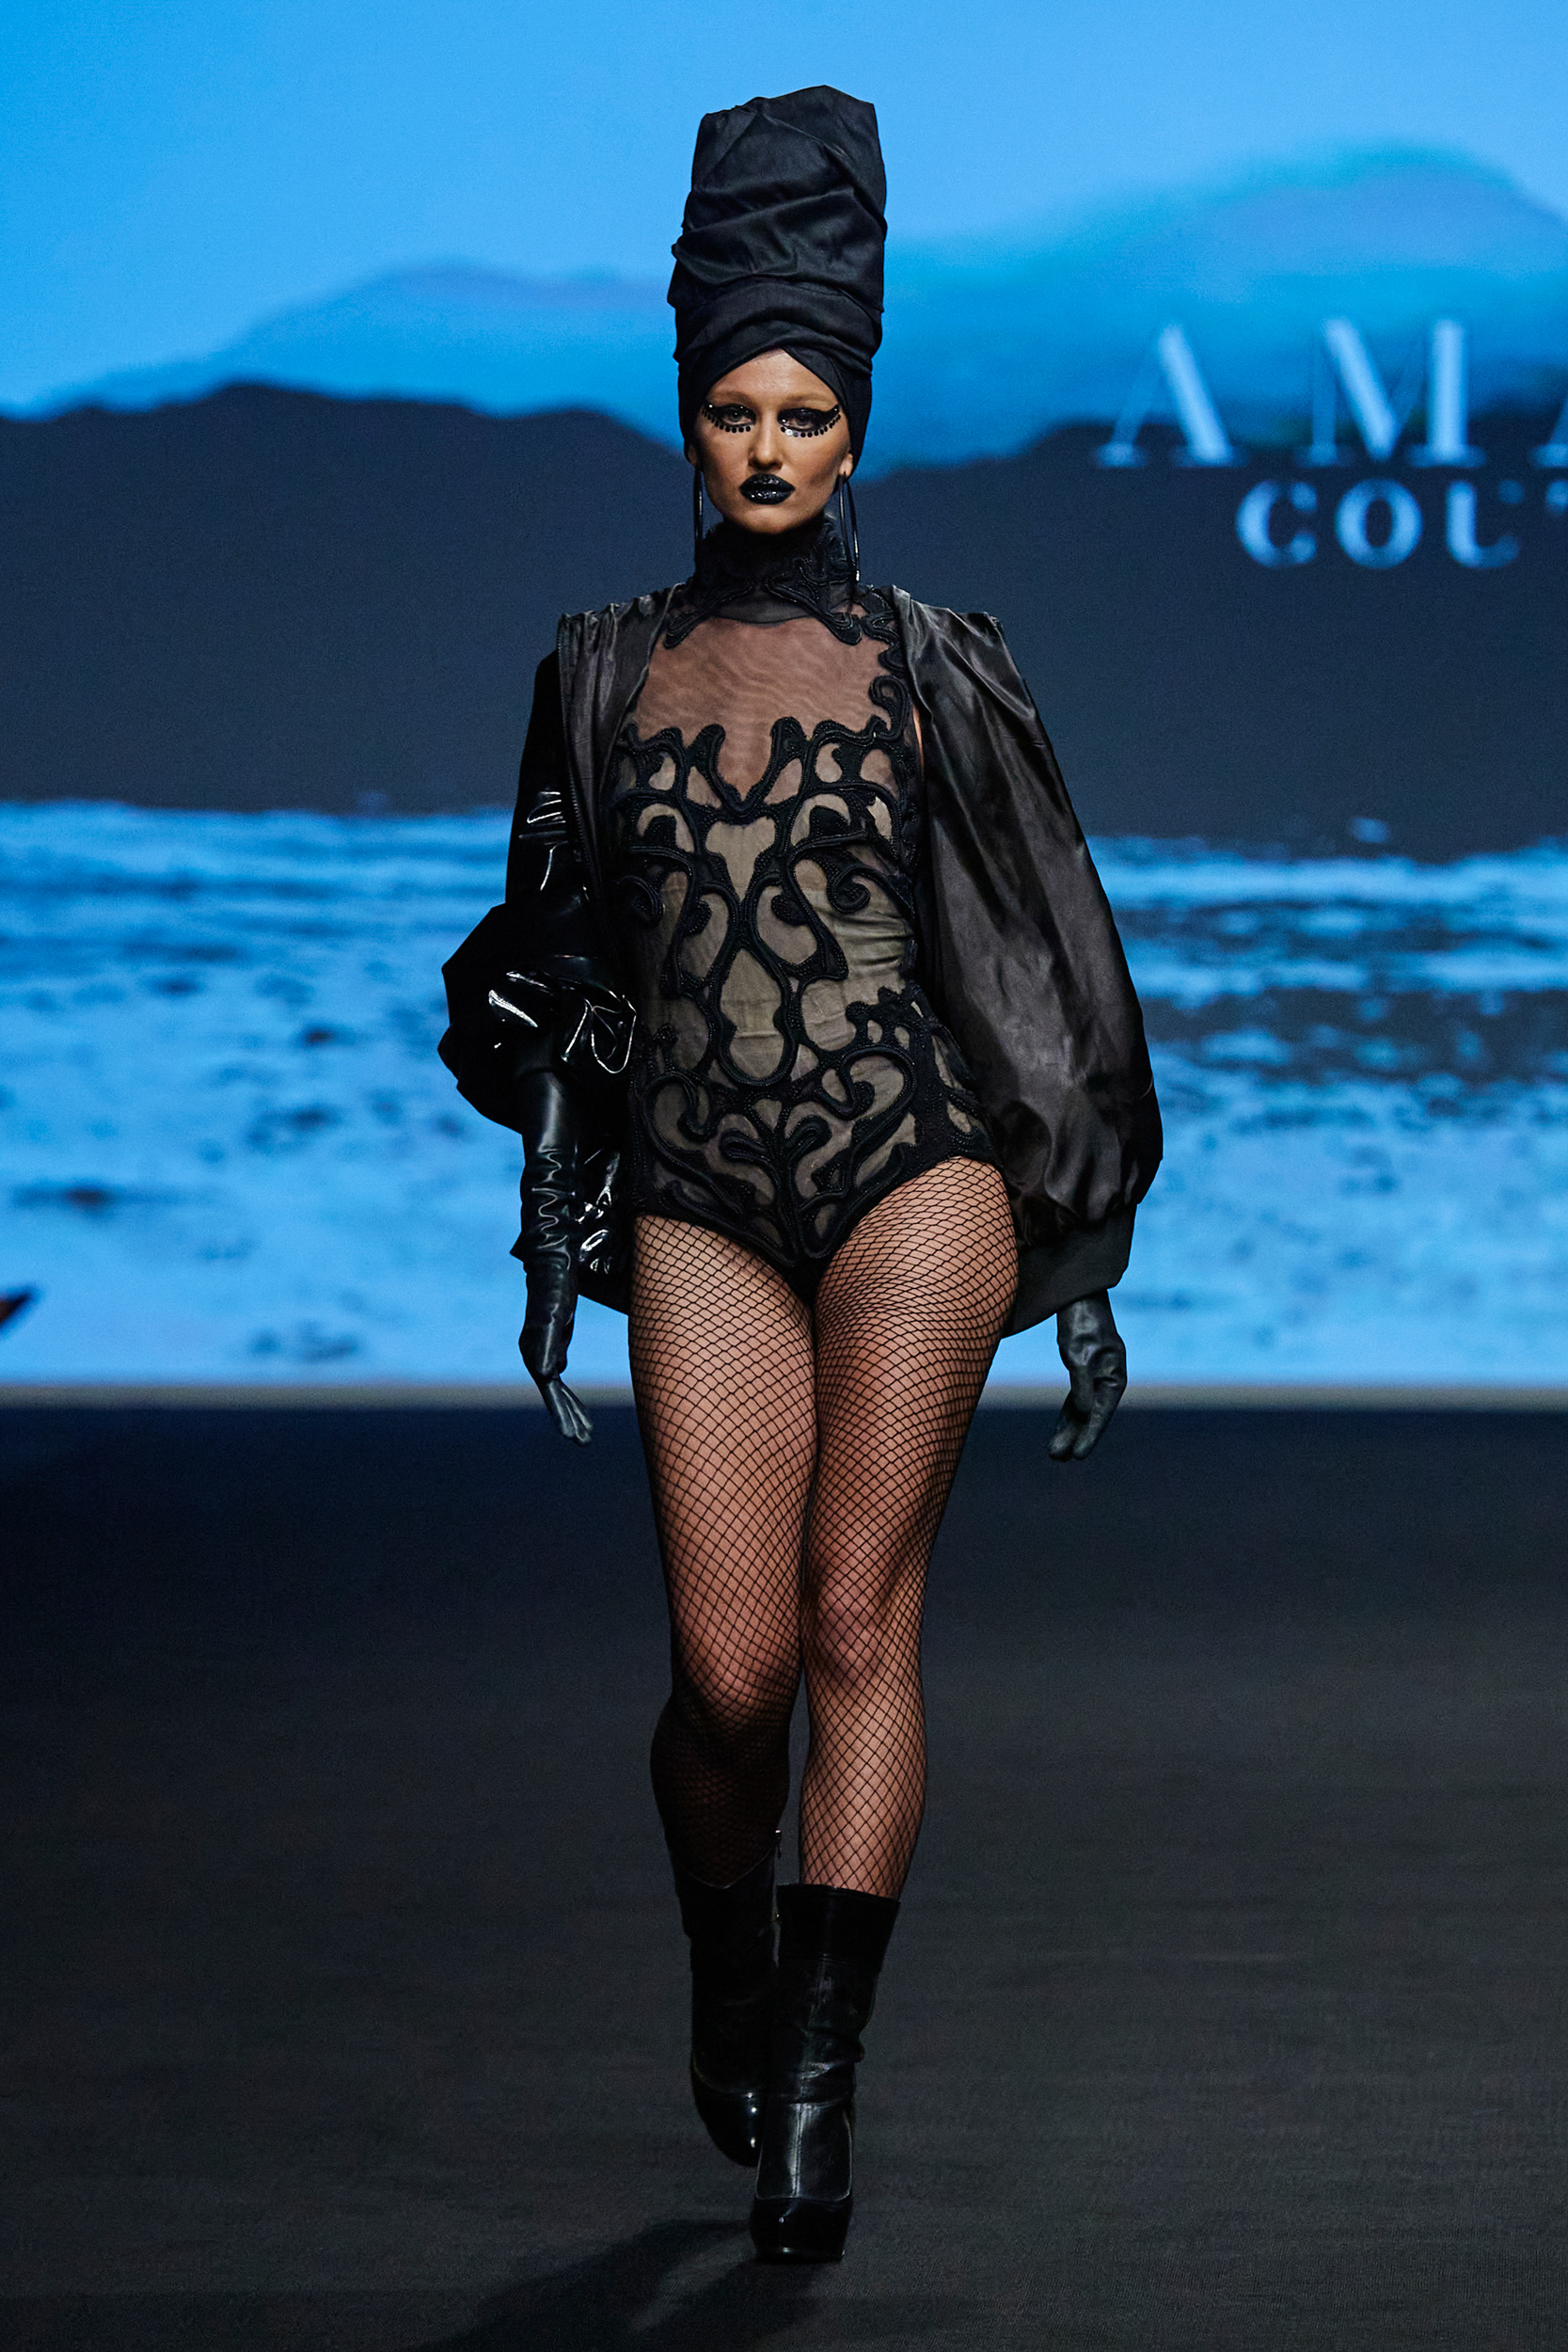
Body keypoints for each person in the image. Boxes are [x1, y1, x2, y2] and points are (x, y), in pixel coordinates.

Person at [439, 87, 1161, 2265]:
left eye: (806, 412)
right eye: (737, 410)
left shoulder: (940, 666)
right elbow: (525, 958)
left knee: (859, 1615)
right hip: (703, 1183)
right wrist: (528, 1029)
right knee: (730, 1674)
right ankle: (730, 1967)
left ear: (857, 430)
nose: (769, 448)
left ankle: (815, 2102)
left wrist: (1085, 1235)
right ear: (691, 417)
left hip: (909, 1164)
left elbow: (1052, 956)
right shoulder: (595, 672)